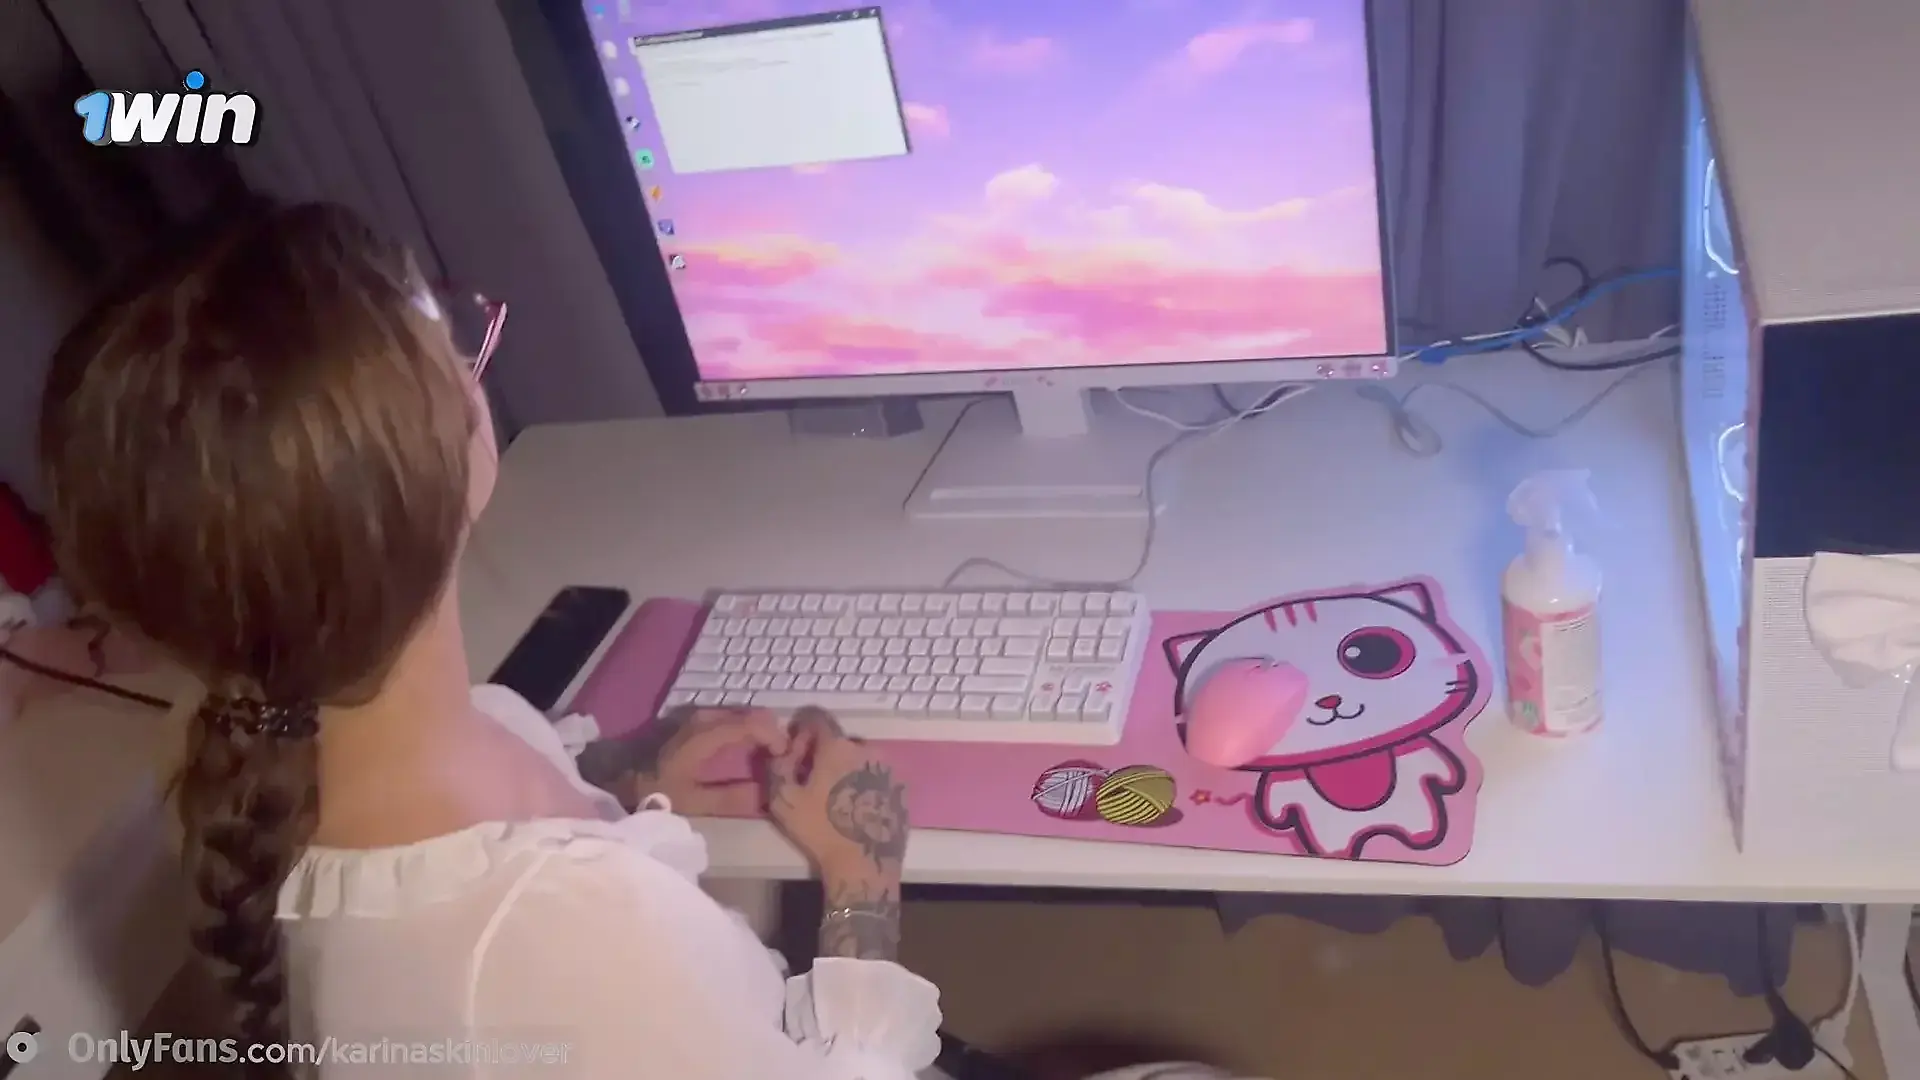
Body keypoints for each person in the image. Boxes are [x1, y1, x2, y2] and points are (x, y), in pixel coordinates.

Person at [36, 202, 1253, 1080]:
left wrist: (626, 777)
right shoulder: (569, 928)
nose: (469, 355)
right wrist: (863, 886)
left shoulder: (298, 754)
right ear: (441, 450)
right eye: (446, 336)